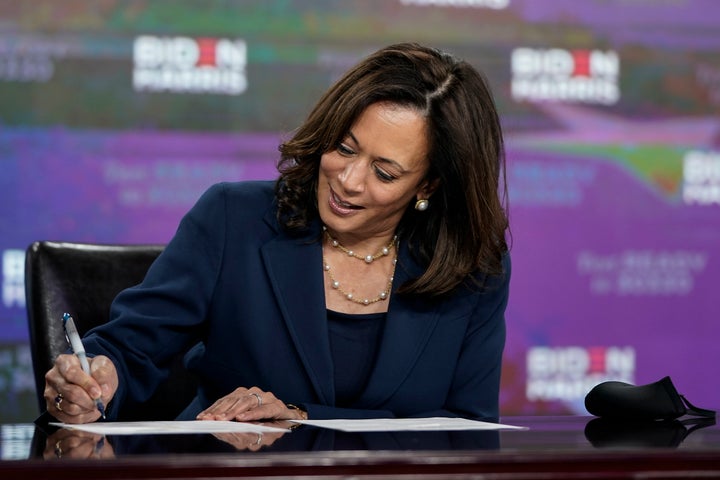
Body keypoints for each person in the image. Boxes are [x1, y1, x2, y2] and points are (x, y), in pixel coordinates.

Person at [43, 42, 511, 425]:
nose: (348, 180)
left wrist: (302, 417)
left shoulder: (473, 266)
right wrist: (98, 379)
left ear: (428, 185)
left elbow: (467, 427)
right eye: (344, 148)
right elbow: (129, 349)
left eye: (384, 173)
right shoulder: (234, 218)